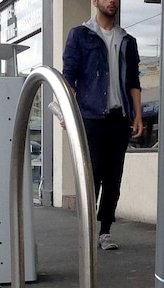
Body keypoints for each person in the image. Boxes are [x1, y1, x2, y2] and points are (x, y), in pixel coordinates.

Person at [63, 0, 143, 250]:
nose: (112, 1)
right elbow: (70, 75)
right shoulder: (80, 35)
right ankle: (86, 228)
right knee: (93, 173)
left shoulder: (127, 40)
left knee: (113, 177)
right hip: (91, 116)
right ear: (95, 2)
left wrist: (137, 114)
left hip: (119, 118)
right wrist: (67, 108)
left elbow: (133, 80)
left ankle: (105, 230)